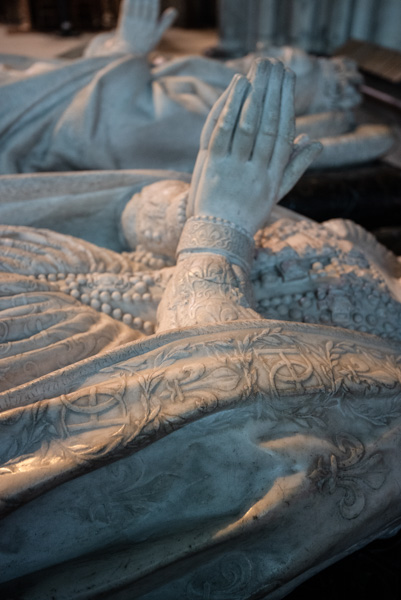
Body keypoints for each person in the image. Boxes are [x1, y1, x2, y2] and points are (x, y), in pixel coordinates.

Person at [1, 59, 401, 600]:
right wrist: (203, 218)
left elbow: (235, 410)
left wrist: (212, 220)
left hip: (112, 350)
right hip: (101, 280)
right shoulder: (371, 258)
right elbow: (216, 394)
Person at [0, 0, 393, 175]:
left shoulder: (210, 115)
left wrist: (123, 54)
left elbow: (99, 128)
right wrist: (121, 54)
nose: (264, 50)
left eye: (288, 62)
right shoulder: (200, 91)